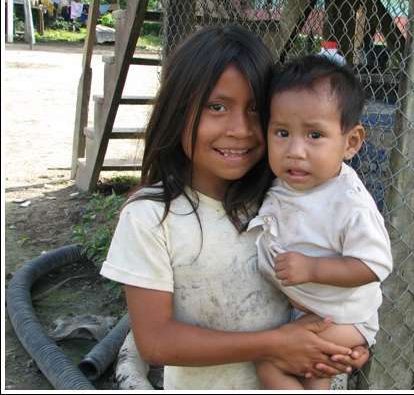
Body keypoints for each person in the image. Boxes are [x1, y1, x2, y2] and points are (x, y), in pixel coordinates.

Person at [100, 25, 369, 390]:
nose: (240, 128)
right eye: (217, 107)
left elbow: (334, 288)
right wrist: (275, 344)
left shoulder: (284, 202)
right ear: (178, 111)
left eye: (256, 110)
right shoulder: (151, 217)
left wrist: (347, 343)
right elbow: (156, 341)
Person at [249, 55, 393, 389]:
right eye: (282, 133)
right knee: (314, 378)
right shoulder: (283, 182)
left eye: (314, 135)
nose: (295, 151)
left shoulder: (349, 203)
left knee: (271, 363)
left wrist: (313, 270)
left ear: (351, 142)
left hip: (345, 319)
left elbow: (374, 265)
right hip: (312, 311)